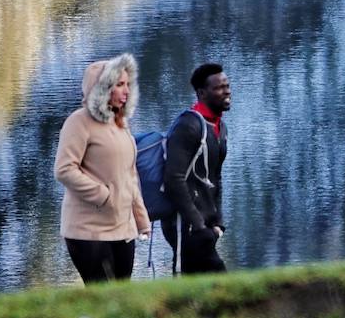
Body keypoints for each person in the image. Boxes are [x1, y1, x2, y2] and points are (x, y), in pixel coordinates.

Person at [54, 53, 151, 284]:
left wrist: (141, 219)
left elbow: (130, 175)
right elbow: (64, 169)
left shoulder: (120, 125)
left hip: (123, 229)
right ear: (102, 88)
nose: (126, 91)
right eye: (119, 85)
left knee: (123, 295)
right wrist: (103, 196)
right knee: (101, 294)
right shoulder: (78, 122)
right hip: (88, 230)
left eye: (128, 84)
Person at [161, 62, 231, 273]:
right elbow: (173, 179)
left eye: (227, 85)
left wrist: (217, 221)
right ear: (202, 93)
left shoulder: (220, 126)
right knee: (217, 279)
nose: (227, 91)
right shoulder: (188, 125)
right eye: (219, 87)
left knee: (197, 286)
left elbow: (215, 178)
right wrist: (198, 224)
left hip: (207, 225)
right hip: (186, 224)